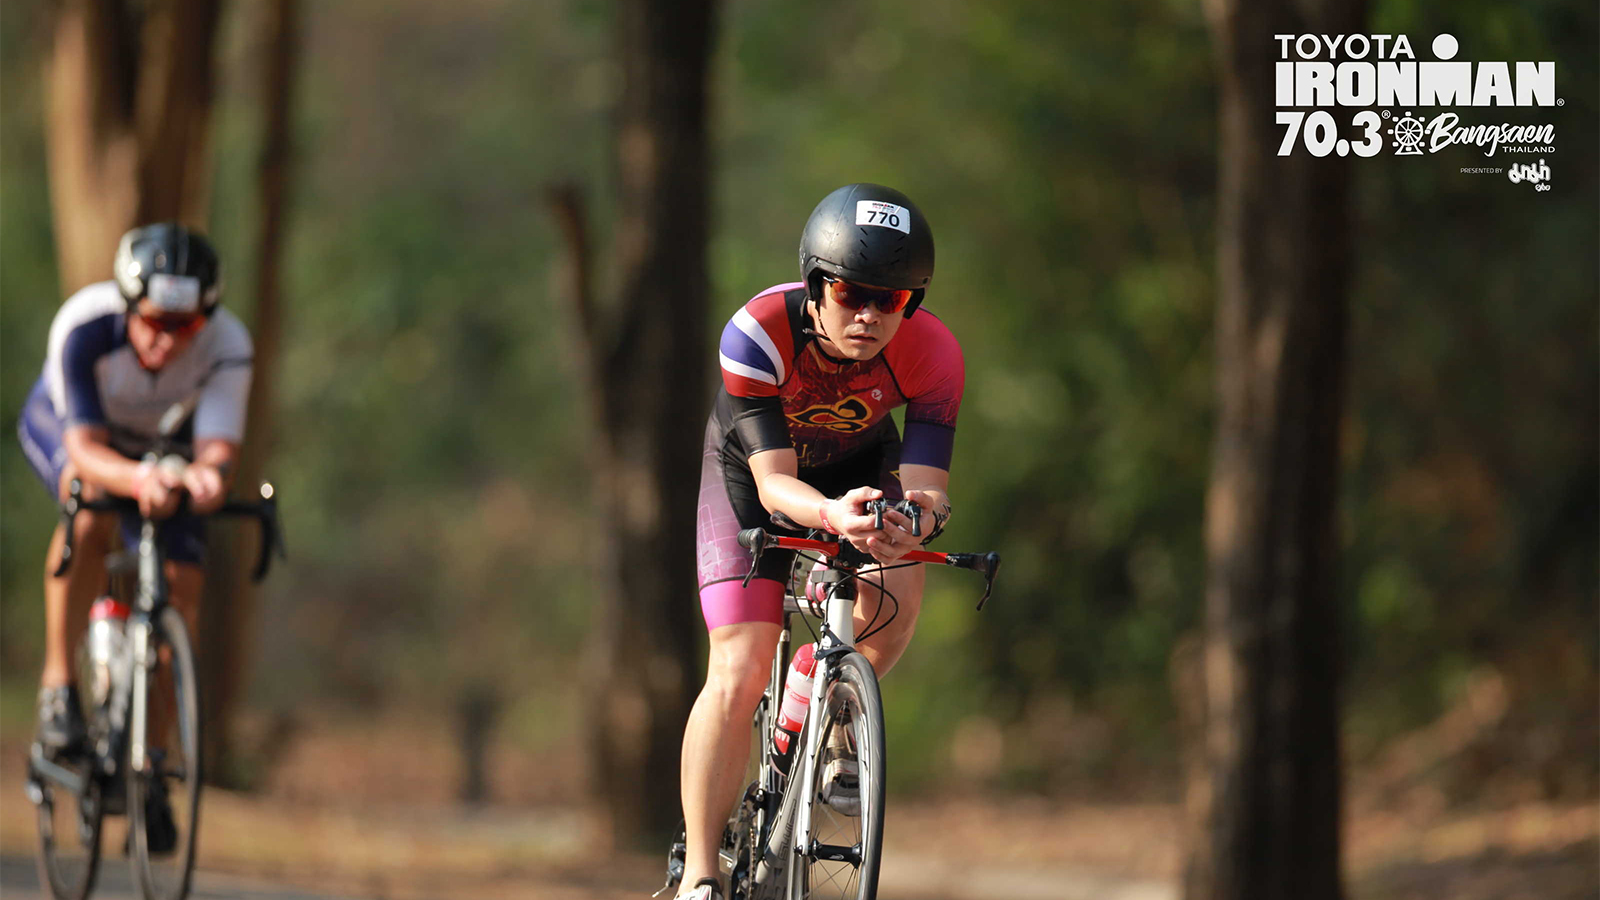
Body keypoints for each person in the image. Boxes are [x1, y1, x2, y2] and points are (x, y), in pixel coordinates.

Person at [677, 184, 963, 898]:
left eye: (891, 300)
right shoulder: (758, 332)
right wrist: (834, 516)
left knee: (901, 587)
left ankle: (829, 697)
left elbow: (930, 490)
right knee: (739, 667)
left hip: (862, 464)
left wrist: (915, 523)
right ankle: (703, 877)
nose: (868, 315)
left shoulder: (935, 355)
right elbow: (776, 491)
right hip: (756, 472)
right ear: (814, 284)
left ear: (913, 304)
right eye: (849, 292)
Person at [19, 222, 252, 850]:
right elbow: (87, 450)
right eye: (152, 320)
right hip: (76, 433)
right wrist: (138, 478)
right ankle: (58, 686)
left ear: (207, 317)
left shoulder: (230, 342)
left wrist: (207, 476)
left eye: (185, 328)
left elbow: (218, 446)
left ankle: (152, 767)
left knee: (182, 587)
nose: (164, 340)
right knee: (91, 513)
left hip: (161, 447)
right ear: (127, 305)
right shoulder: (85, 326)